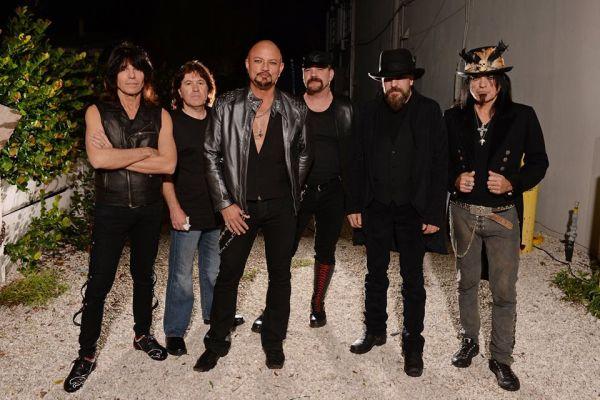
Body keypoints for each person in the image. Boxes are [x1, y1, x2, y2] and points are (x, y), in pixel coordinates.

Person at [64, 42, 176, 393]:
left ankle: (142, 335)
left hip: (148, 208)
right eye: (124, 68)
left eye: (137, 68)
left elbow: (168, 164)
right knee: (99, 283)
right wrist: (145, 151)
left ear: (146, 75)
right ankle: (86, 354)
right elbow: (98, 160)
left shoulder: (160, 115)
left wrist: (118, 155)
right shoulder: (97, 112)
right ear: (113, 75)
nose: (131, 75)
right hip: (110, 208)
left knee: (144, 276)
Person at [194, 40, 311, 372]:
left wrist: (292, 189)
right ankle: (217, 342)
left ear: (281, 68)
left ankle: (273, 341)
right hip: (239, 209)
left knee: (280, 276)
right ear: (247, 64)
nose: (265, 68)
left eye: (272, 63)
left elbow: (305, 153)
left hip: (281, 208)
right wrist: (225, 204)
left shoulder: (295, 108)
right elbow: (210, 154)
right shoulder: (226, 105)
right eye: (258, 61)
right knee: (229, 273)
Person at [445, 41, 548, 391]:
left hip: (503, 217)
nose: (482, 85)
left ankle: (501, 358)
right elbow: (437, 162)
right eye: (476, 78)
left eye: (489, 77)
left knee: (504, 291)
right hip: (463, 214)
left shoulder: (523, 116)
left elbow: (539, 162)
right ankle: (469, 340)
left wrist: (512, 183)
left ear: (501, 81)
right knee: (466, 282)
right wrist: (454, 179)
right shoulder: (453, 117)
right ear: (468, 83)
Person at [346, 48, 447, 377]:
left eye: (400, 79)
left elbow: (439, 164)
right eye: (388, 79)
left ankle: (413, 344)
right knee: (374, 275)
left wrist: (434, 212)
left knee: (413, 281)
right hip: (375, 207)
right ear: (382, 82)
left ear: (411, 81)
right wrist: (353, 204)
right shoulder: (366, 112)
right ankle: (375, 330)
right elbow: (355, 160)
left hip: (413, 210)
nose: (394, 85)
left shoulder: (430, 111)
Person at [251, 50, 353, 332]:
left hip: (333, 191)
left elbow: (355, 157)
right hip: (296, 191)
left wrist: (354, 201)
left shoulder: (346, 109)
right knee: (283, 250)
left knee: (326, 250)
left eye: (320, 69)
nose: (313, 75)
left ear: (331, 74)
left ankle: (317, 305)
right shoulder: (289, 107)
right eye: (308, 70)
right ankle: (272, 308)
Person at [162, 61, 243, 357]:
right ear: (179, 91)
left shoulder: (219, 120)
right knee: (181, 276)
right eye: (188, 83)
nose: (195, 88)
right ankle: (174, 330)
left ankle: (215, 315)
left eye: (200, 82)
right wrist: (174, 208)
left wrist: (233, 202)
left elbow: (230, 164)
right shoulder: (171, 123)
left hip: (217, 212)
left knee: (214, 271)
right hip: (186, 211)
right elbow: (165, 173)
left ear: (209, 89)